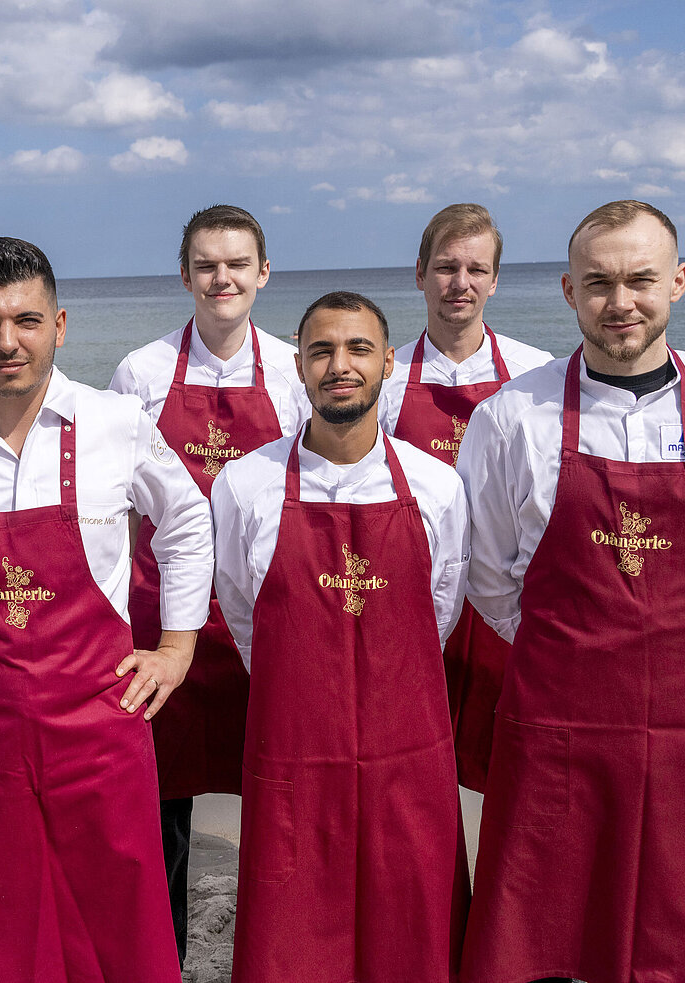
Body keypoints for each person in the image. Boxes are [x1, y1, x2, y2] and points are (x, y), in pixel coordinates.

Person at [0, 237, 214, 981]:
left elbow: (186, 521)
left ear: (60, 324)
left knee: (118, 932)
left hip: (100, 734)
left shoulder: (114, 423)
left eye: (25, 320)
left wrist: (178, 646)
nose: (6, 341)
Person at [457, 201, 685, 983]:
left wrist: (682, 636)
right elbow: (489, 573)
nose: (621, 301)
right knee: (536, 921)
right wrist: (569, 645)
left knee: (674, 919)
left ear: (677, 281)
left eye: (641, 278)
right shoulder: (512, 418)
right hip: (555, 720)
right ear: (569, 291)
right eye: (599, 282)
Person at [212, 291, 471, 982]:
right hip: (293, 757)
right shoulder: (243, 485)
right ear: (299, 365)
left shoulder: (439, 487)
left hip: (407, 756)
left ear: (388, 361)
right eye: (322, 350)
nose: (340, 365)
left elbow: (440, 608)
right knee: (293, 938)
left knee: (410, 933)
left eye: (358, 348)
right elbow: (244, 611)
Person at [108, 204, 309, 960]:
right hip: (164, 621)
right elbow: (124, 504)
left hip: (267, 621)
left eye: (236, 263)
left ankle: (276, 955)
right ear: (184, 274)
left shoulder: (294, 369)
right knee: (161, 807)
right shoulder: (142, 370)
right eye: (205, 264)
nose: (221, 278)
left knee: (276, 801)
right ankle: (164, 957)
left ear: (263, 272)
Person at [378, 203, 552, 792]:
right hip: (412, 599)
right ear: (420, 273)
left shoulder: (535, 376)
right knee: (411, 765)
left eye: (476, 269)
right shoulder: (384, 376)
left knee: (511, 763)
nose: (461, 283)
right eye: (447, 267)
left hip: (505, 600)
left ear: (495, 280)